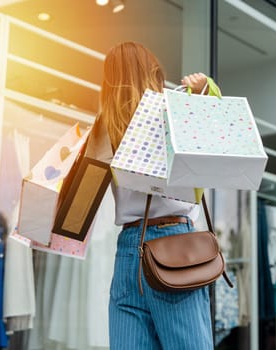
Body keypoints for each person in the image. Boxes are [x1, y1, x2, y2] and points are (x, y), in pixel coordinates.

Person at [98, 41, 213, 349]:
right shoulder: (172, 114)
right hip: (173, 242)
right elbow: (213, 135)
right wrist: (205, 89)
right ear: (153, 72)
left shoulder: (105, 127)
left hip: (128, 251)